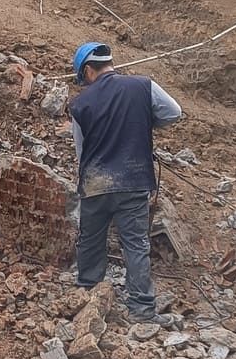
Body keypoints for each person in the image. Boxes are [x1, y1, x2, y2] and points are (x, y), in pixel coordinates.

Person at [69, 41, 182, 322]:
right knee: (134, 244)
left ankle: (88, 296)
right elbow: (174, 112)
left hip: (95, 183)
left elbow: (80, 152)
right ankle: (142, 310)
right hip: (133, 179)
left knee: (91, 241)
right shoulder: (143, 85)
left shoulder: (80, 103)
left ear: (88, 71)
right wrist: (140, 122)